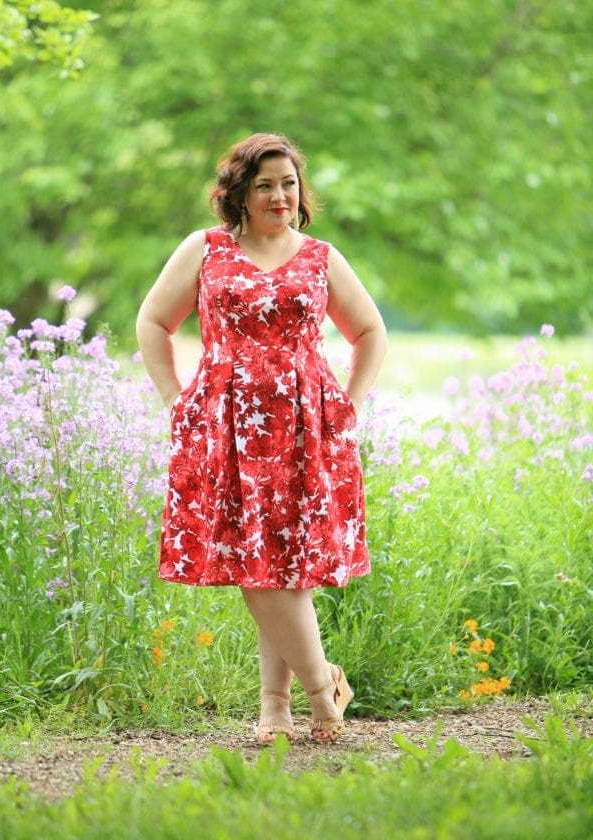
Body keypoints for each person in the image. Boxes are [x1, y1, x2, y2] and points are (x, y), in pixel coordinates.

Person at [136, 132, 387, 744]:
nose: (280, 195)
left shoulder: (321, 257)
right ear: (240, 193)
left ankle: (277, 705)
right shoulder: (206, 250)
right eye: (265, 184)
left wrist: (347, 407)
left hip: (306, 427)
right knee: (257, 566)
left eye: (289, 183)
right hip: (225, 425)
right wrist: (176, 397)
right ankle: (323, 689)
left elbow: (371, 332)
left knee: (287, 568)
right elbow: (152, 320)